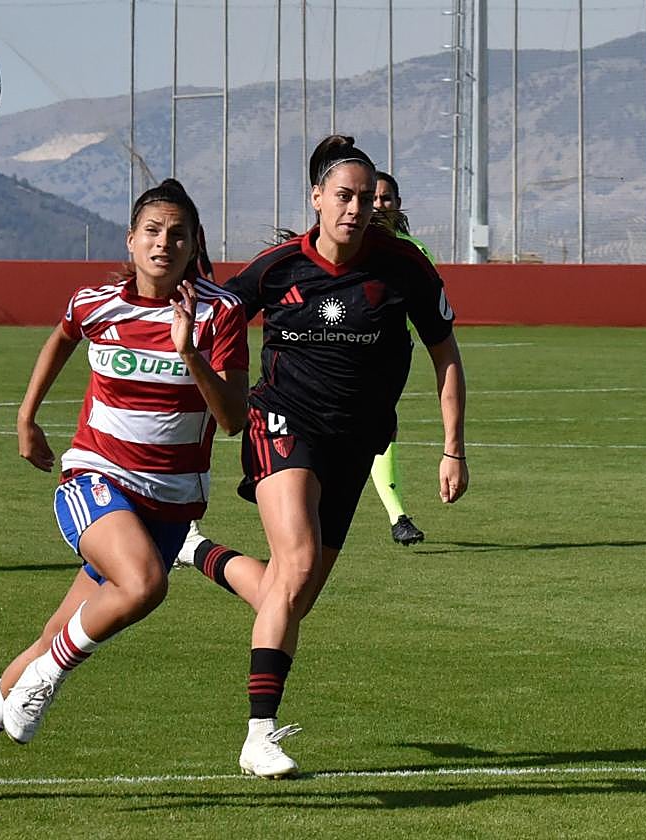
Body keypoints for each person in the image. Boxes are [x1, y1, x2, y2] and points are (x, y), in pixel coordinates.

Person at [0, 178, 249, 804]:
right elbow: (59, 340)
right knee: (143, 586)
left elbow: (234, 418)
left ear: (194, 247)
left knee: (60, 630)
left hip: (170, 503)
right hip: (94, 477)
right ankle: (44, 681)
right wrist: (27, 417)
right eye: (153, 232)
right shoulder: (96, 303)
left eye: (178, 235)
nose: (165, 243)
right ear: (131, 241)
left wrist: (190, 354)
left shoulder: (220, 313)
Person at [177, 136, 468, 778]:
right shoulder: (277, 267)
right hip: (281, 421)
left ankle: (196, 551)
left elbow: (446, 353)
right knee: (298, 562)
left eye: (367, 197)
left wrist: (453, 449)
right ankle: (259, 736)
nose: (356, 207)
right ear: (317, 199)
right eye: (344, 195)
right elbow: (217, 321)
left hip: (355, 442)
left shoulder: (405, 268)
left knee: (291, 595)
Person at [368, 170, 437, 546]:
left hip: (391, 358)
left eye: (386, 199)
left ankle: (397, 517)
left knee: (382, 429)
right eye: (372, 198)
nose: (379, 205)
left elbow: (432, 312)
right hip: (338, 356)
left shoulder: (414, 251)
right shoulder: (345, 246)